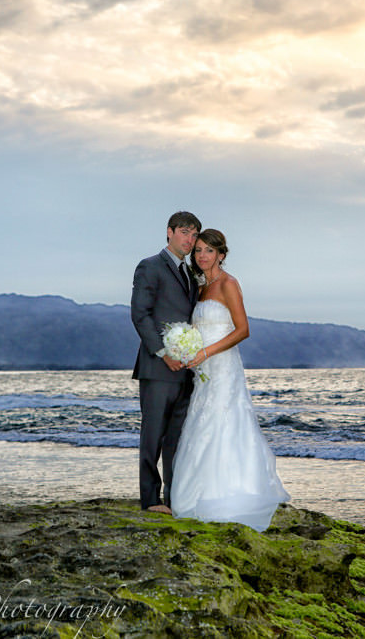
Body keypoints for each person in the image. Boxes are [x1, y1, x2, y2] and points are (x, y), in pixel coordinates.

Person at [171, 229, 290, 531]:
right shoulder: (199, 287)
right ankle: (195, 494)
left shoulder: (228, 284)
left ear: (221, 255)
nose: (202, 256)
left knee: (223, 421)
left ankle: (228, 493)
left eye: (209, 251)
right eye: (198, 250)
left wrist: (207, 351)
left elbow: (242, 330)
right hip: (202, 370)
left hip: (222, 365)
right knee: (201, 422)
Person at [131, 211, 202, 514]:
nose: (190, 239)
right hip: (158, 368)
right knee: (153, 437)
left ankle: (175, 500)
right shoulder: (150, 266)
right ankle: (150, 500)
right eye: (185, 232)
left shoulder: (190, 273)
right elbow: (140, 314)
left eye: (195, 234)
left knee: (177, 439)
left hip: (186, 371)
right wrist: (163, 353)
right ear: (170, 232)